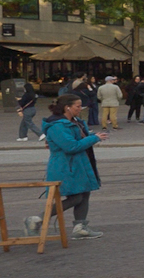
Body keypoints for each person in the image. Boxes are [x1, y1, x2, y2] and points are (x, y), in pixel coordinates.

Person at [27, 92, 105, 239]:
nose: (80, 109)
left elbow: (76, 140)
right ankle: (37, 219)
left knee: (84, 193)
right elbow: (71, 146)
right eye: (78, 106)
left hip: (78, 164)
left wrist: (92, 137)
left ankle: (80, 227)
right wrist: (94, 138)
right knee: (76, 197)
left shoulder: (74, 122)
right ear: (67, 107)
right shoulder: (57, 125)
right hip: (65, 166)